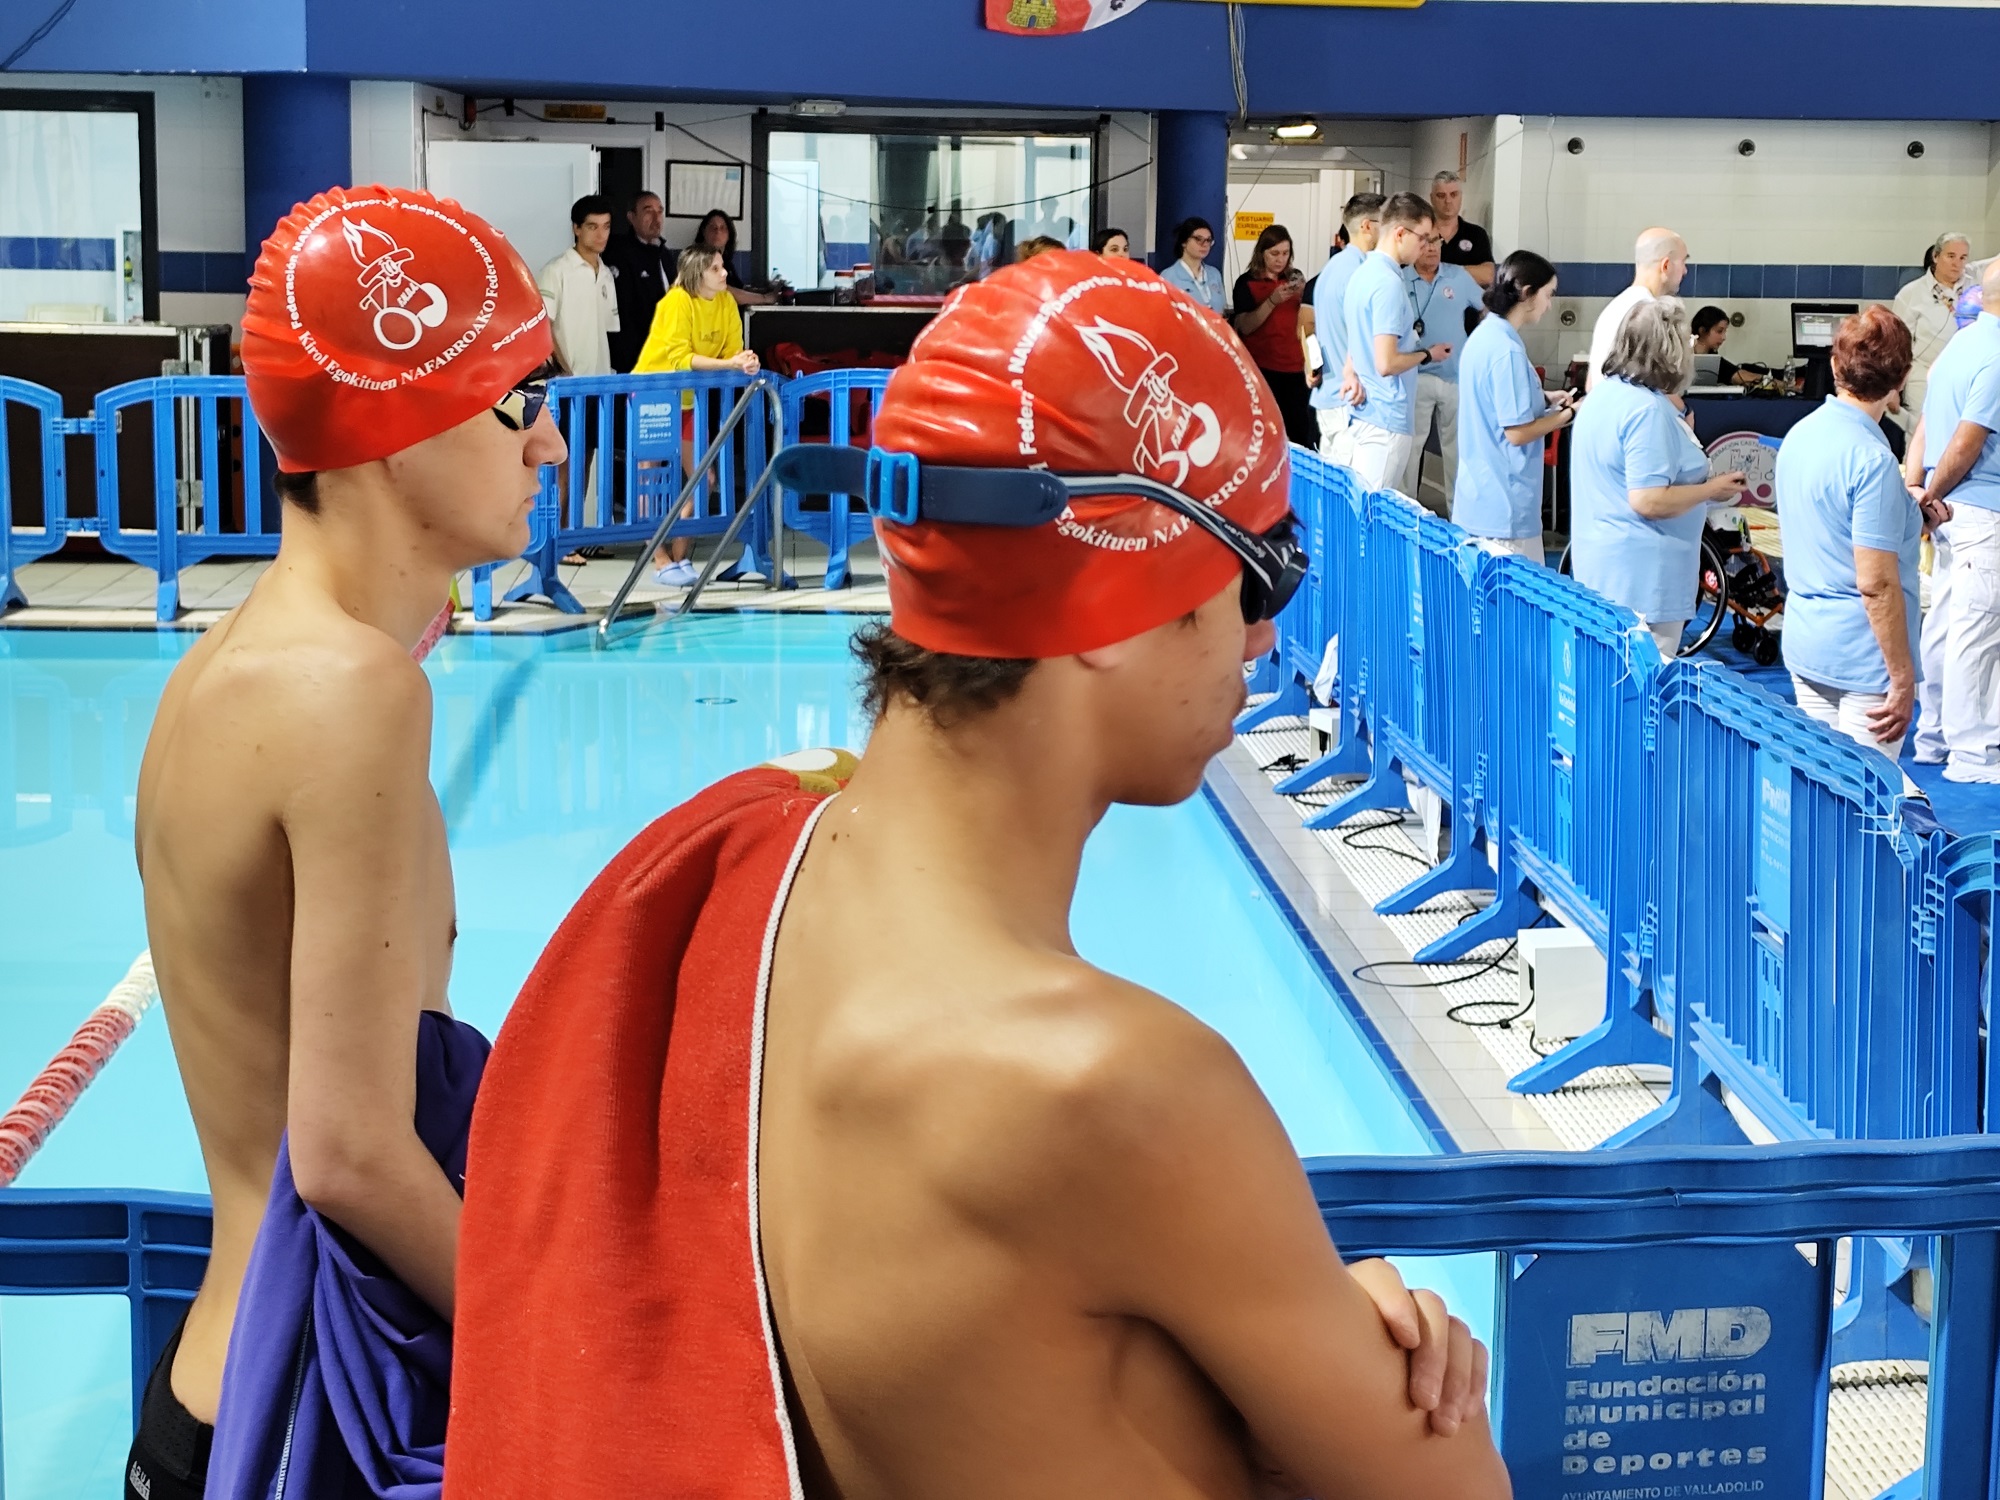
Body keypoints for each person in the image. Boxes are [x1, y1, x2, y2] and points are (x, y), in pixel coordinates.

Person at [445, 249, 1509, 1500]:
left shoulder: (758, 865)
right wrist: (1314, 1365)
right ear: (1116, 606)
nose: (1265, 633)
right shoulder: (1111, 1087)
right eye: (1261, 570)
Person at [124, 185, 562, 1500]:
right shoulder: (350, 694)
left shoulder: (243, 660)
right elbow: (353, 1152)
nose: (547, 449)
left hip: (217, 1391)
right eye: (514, 404)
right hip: (304, 1420)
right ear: (391, 434)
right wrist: (566, 1353)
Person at [1776, 305, 1929, 757]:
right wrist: (1901, 677)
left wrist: (1908, 510)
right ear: (1901, 380)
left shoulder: (1800, 435)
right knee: (1866, 809)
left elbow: (1833, 520)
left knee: (1822, 797)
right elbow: (1876, 584)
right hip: (1864, 660)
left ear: (1836, 365)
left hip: (1808, 644)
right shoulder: (1873, 461)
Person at [1570, 296, 1746, 655]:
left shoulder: (1604, 397)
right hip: (1643, 586)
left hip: (1603, 573)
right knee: (1641, 696)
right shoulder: (1645, 410)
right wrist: (1711, 488)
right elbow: (1648, 499)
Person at [1912, 258, 2000, 781]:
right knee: (1977, 632)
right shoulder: (1996, 351)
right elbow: (1969, 438)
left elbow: (1929, 428)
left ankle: (1936, 736)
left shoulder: (1958, 347)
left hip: (1952, 511)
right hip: (1978, 509)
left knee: (1946, 624)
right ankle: (1975, 754)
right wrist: (1931, 493)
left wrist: (1924, 491)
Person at [634, 244, 761, 586]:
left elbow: (734, 351)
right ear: (697, 275)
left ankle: (680, 558)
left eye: (722, 267)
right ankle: (659, 560)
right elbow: (679, 359)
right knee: (650, 479)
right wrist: (730, 364)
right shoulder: (676, 301)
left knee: (704, 480)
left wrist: (746, 360)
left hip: (690, 400)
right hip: (654, 395)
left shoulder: (726, 303)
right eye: (716, 269)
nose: (724, 274)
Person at [1453, 250, 1576, 558]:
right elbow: (1517, 432)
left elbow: (1493, 401)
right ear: (1527, 293)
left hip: (1479, 499)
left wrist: (1543, 398)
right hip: (1504, 512)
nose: (1549, 305)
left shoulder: (1486, 335)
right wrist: (1570, 414)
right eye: (1548, 295)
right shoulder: (1505, 349)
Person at [1342, 192, 1454, 491]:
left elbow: (1356, 342)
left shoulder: (1362, 273)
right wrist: (1426, 355)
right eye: (1423, 238)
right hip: (1385, 420)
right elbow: (1387, 363)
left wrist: (1352, 371)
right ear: (1400, 233)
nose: (1427, 247)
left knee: (1360, 512)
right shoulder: (1388, 284)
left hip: (1364, 415)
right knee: (1369, 519)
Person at [1399, 227, 1486, 506]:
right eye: (1425, 242)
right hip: (1416, 374)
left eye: (1436, 242)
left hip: (1454, 376)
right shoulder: (1400, 279)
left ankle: (1458, 512)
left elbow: (1487, 307)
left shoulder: (1457, 276)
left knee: (1457, 450)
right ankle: (1405, 510)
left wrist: (1481, 342)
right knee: (1411, 448)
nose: (1432, 248)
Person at [1309, 193, 1385, 465]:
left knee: (1334, 492)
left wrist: (1313, 367)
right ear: (1367, 226)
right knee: (1354, 491)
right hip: (1352, 402)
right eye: (1385, 222)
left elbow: (1311, 330)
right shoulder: (1362, 272)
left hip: (1329, 396)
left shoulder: (1330, 269)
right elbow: (1364, 336)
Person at [1231, 223, 1316, 447]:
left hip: (1296, 368)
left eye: (1285, 254)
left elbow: (1305, 320)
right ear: (1262, 253)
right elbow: (1245, 326)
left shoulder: (1294, 278)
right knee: (1265, 432)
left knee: (1299, 433)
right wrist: (1272, 302)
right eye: (1274, 254)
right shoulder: (1246, 282)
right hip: (1264, 368)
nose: (1280, 260)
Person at [1585, 227, 1688, 391]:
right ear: (1666, 265)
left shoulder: (1615, 307)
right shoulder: (1648, 314)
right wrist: (1684, 412)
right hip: (1632, 412)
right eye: (1684, 262)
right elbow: (1659, 384)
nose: (1685, 271)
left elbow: (1592, 382)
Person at [1892, 231, 1976, 428]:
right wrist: (1894, 387)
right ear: (1936, 256)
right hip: (1924, 376)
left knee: (1961, 435)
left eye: (1963, 258)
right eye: (1951, 256)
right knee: (1923, 434)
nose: (1957, 263)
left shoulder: (1976, 290)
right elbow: (1897, 346)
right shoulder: (1911, 294)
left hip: (1967, 378)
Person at [537, 194, 619, 378]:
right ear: (577, 228)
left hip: (600, 381)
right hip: (569, 383)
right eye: (592, 227)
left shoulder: (607, 274)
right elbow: (542, 327)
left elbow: (606, 330)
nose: (601, 235)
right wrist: (564, 370)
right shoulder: (556, 270)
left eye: (606, 227)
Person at [603, 189, 672, 373]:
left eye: (660, 211)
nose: (656, 217)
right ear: (631, 217)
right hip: (632, 355)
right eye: (648, 211)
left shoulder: (664, 254)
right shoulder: (618, 253)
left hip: (664, 349)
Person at [690, 207, 776, 307]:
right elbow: (728, 292)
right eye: (713, 227)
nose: (718, 231)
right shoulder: (698, 259)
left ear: (729, 235)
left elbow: (740, 289)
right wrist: (765, 298)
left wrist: (767, 290)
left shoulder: (726, 262)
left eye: (723, 228)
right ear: (703, 232)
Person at [1429, 171, 1494, 288]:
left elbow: (1488, 275)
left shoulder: (1477, 234)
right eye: (1441, 195)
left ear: (1461, 197)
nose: (1448, 201)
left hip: (1468, 304)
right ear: (1432, 198)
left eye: (1453, 194)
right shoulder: (1422, 234)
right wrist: (1468, 272)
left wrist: (1441, 270)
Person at [1159, 216, 1226, 313]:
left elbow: (1221, 310)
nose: (1205, 244)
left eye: (1208, 240)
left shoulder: (1214, 274)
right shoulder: (1168, 277)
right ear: (1184, 242)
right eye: (1198, 239)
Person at [1689, 305, 1762, 387]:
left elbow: (1736, 375)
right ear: (1702, 331)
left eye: (1724, 332)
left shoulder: (1713, 360)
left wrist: (1769, 381)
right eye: (1719, 331)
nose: (1724, 337)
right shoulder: (1679, 355)